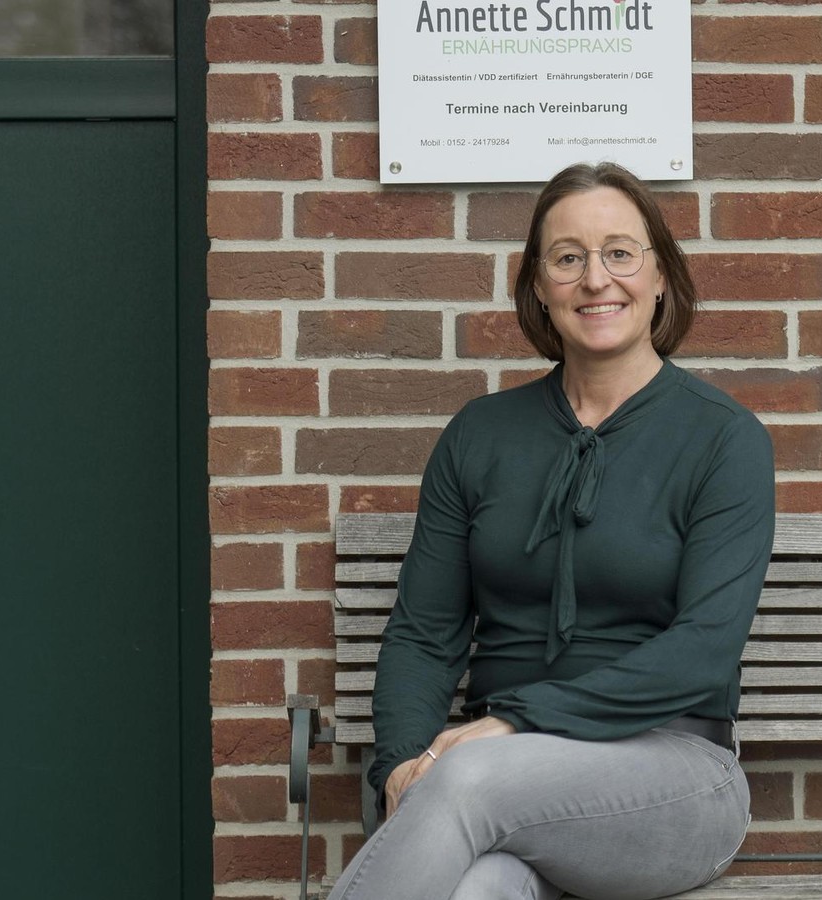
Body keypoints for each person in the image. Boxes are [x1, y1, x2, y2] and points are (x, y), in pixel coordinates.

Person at [329, 162, 776, 900]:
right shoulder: (481, 434)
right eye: (568, 258)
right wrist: (403, 764)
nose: (596, 279)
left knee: (470, 777)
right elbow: (424, 632)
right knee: (479, 889)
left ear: (660, 276)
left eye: (620, 253)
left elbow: (702, 652)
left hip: (674, 775)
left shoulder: (723, 439)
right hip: (499, 783)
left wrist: (512, 725)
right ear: (539, 285)